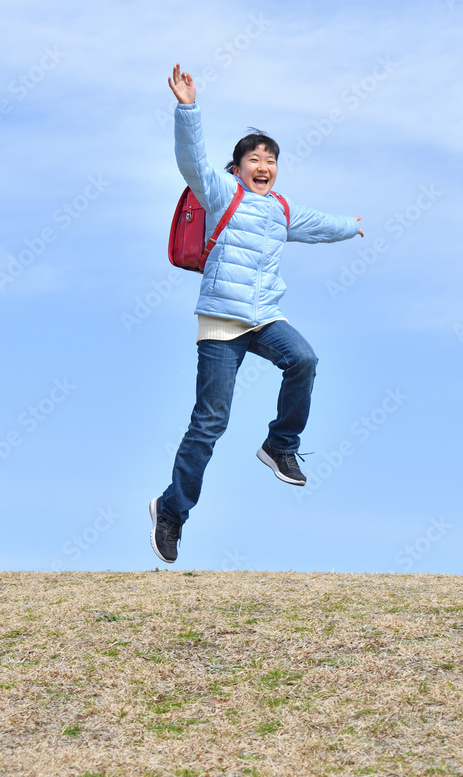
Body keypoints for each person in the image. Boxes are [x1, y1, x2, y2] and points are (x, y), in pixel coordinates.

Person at [150, 63, 364, 563]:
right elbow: (191, 160)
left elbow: (318, 224)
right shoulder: (222, 191)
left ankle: (279, 445)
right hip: (222, 323)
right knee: (210, 423)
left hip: (264, 317)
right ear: (239, 167)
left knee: (304, 360)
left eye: (270, 159)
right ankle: (171, 511)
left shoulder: (281, 210)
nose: (263, 164)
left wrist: (350, 227)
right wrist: (188, 108)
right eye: (254, 157)